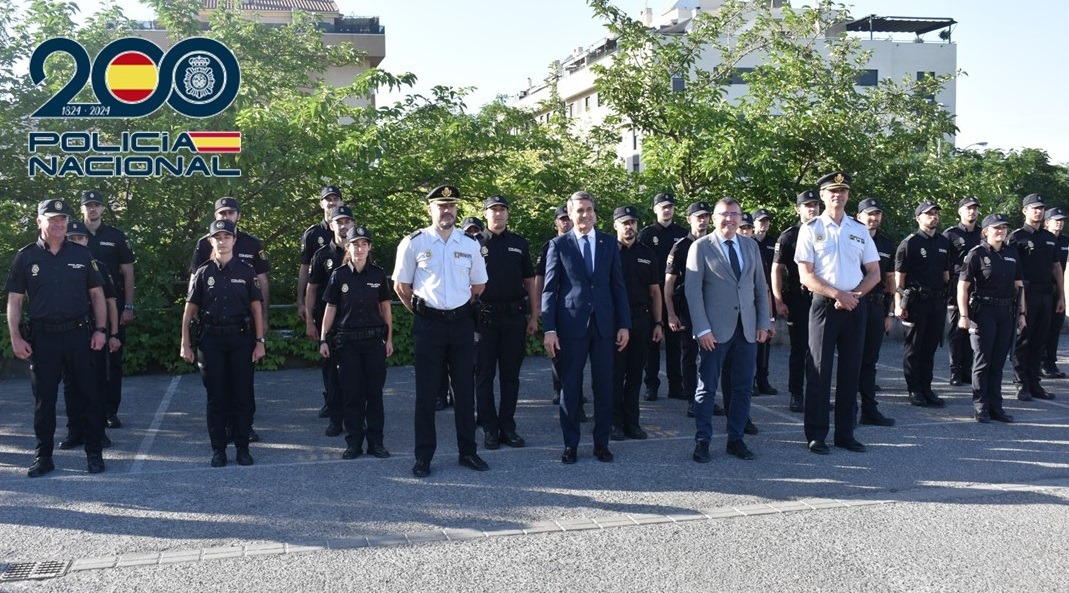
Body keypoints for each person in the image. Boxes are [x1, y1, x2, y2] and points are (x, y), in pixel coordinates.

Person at [6, 199, 108, 477]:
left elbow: (97, 295)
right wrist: (15, 336)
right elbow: (14, 300)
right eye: (52, 219)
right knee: (44, 400)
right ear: (39, 221)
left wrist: (100, 330)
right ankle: (44, 457)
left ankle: (94, 453)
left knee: (88, 395)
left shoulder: (82, 254)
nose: (59, 224)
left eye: (62, 219)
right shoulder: (26, 257)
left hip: (79, 334)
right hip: (43, 338)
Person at [393, 185, 489, 478]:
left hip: (461, 324)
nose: (447, 211)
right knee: (425, 395)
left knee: (464, 392)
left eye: (451, 206)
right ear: (430, 209)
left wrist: (457, 309)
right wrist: (425, 313)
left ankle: (468, 452)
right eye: (440, 206)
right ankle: (423, 456)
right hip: (429, 326)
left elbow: (479, 286)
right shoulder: (414, 243)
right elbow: (401, 286)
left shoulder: (470, 243)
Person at [542, 191, 631, 464]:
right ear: (569, 214)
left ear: (595, 212)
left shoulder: (608, 243)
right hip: (571, 327)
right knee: (570, 388)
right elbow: (549, 289)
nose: (585, 215)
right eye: (579, 210)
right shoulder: (559, 245)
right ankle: (571, 445)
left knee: (604, 386)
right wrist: (549, 329)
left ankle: (601, 443)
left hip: (605, 326)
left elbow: (618, 286)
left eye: (589, 209)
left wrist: (624, 324)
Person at [795, 172, 881, 455]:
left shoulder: (859, 229)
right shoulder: (810, 229)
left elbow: (874, 273)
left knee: (850, 371)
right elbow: (806, 275)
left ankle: (846, 434)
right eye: (832, 191)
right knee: (819, 371)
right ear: (822, 196)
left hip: (855, 306)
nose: (838, 195)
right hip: (824, 306)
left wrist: (854, 296)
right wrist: (837, 294)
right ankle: (817, 435)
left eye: (843, 191)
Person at [686, 198, 771, 463]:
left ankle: (736, 439)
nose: (730, 219)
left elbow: (759, 287)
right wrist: (702, 329)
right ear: (714, 217)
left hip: (746, 330)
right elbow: (693, 292)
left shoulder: (750, 246)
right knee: (707, 388)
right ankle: (703, 440)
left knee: (743, 388)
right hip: (714, 331)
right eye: (724, 214)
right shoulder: (700, 247)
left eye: (735, 214)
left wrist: (763, 323)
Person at [180, 219, 266, 467]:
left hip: (241, 338)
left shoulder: (247, 271)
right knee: (216, 397)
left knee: (242, 395)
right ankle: (218, 449)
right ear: (211, 241)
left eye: (227, 236)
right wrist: (185, 342)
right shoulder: (203, 272)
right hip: (211, 340)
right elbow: (190, 309)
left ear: (234, 240)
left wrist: (259, 341)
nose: (222, 240)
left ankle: (242, 448)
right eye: (217, 237)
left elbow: (256, 309)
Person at [318, 225, 393, 459]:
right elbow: (330, 308)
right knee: (351, 394)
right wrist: (323, 338)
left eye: (364, 244)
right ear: (348, 248)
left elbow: (385, 308)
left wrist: (389, 339)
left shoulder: (378, 275)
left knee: (374, 394)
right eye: (355, 244)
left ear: (369, 247)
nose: (359, 248)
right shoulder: (339, 275)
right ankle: (353, 443)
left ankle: (376, 442)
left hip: (373, 342)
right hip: (347, 343)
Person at [475, 195, 538, 450]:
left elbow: (529, 282)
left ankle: (508, 427)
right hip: (484, 319)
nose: (498, 215)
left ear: (507, 214)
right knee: (484, 376)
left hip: (514, 317)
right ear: (485, 214)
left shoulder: (519, 244)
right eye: (493, 210)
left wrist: (534, 315)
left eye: (502, 210)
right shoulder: (474, 243)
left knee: (511, 377)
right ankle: (490, 429)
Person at [59, 220, 121, 451]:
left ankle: (98, 432)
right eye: (72, 238)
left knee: (96, 385)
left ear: (88, 240)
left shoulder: (99, 266)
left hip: (96, 333)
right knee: (70, 385)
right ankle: (75, 431)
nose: (76, 241)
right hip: (70, 333)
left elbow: (111, 303)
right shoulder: (59, 264)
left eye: (80, 238)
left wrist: (113, 333)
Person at [957, 213, 1023, 423]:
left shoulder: (1012, 253)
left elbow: (1019, 285)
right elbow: (963, 286)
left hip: (1005, 313)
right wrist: (964, 315)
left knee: (998, 362)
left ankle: (996, 407)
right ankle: (981, 407)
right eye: (996, 228)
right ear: (985, 231)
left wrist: (1022, 313)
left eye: (1003, 228)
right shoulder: (976, 254)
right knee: (983, 361)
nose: (1001, 231)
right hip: (983, 311)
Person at [80, 190, 135, 430]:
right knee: (82, 364)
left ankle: (111, 411)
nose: (93, 209)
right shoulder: (73, 235)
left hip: (114, 307)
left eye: (96, 205)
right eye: (88, 205)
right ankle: (86, 413)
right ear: (82, 208)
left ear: (103, 209)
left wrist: (129, 306)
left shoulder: (116, 236)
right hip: (81, 311)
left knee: (113, 362)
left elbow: (128, 273)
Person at [611, 205, 662, 441]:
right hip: (614, 321)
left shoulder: (647, 253)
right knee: (614, 373)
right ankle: (614, 423)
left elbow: (655, 292)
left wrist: (658, 322)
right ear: (615, 226)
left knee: (634, 374)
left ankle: (632, 422)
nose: (629, 227)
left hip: (642, 319)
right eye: (624, 223)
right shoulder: (608, 251)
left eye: (632, 222)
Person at [664, 201, 718, 418]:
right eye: (698, 216)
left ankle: (707, 398)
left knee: (711, 355)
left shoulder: (714, 244)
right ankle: (692, 400)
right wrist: (671, 313)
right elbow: (668, 285)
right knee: (689, 355)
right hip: (687, 308)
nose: (703, 220)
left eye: (706, 216)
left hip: (712, 307)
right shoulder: (680, 247)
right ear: (689, 220)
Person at [305, 205, 355, 437]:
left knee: (357, 375)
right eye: (339, 222)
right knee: (333, 375)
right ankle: (336, 419)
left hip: (357, 323)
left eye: (347, 222)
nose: (343, 226)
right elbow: (312, 289)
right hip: (329, 323)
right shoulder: (322, 254)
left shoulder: (361, 250)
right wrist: (309, 322)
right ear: (331, 225)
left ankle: (357, 418)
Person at [895, 202, 951, 408]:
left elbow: (946, 275)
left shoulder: (944, 242)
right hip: (917, 303)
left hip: (937, 302)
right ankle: (914, 389)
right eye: (928, 214)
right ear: (918, 218)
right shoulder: (909, 243)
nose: (933, 217)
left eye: (935, 213)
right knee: (914, 349)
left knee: (930, 348)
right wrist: (899, 305)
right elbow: (898, 281)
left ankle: (927, 388)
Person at [1009, 193, 1064, 401]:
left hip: (1046, 295)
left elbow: (1056, 267)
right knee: (1023, 341)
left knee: (1040, 341)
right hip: (1026, 295)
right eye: (1034, 208)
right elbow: (1011, 270)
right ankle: (1021, 384)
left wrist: (1061, 297)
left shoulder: (1049, 238)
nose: (1039, 211)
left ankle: (1034, 383)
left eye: (1041, 208)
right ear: (1025, 211)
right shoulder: (1017, 237)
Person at [298, 185, 344, 418]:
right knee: (327, 357)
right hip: (323, 306)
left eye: (335, 199)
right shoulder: (313, 233)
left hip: (349, 308)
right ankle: (331, 400)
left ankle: (347, 404)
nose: (332, 202)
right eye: (328, 199)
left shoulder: (351, 230)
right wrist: (301, 302)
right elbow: (306, 272)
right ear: (321, 203)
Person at [535, 205, 586, 417]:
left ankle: (575, 397)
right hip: (555, 306)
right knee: (558, 355)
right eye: (562, 219)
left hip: (576, 310)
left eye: (568, 218)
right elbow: (540, 278)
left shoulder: (581, 243)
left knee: (576, 358)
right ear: (556, 222)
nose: (566, 222)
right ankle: (561, 390)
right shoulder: (550, 246)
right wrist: (538, 306)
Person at [772, 191, 821, 413]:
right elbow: (777, 270)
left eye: (815, 205)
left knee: (821, 351)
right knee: (799, 349)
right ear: (798, 209)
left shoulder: (826, 231)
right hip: (799, 300)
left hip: (822, 298)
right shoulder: (789, 237)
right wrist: (779, 300)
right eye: (807, 205)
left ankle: (816, 393)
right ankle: (796, 394)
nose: (812, 209)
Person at [638, 193, 687, 401]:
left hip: (676, 295)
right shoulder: (646, 235)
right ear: (655, 209)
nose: (667, 210)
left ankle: (677, 385)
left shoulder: (682, 234)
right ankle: (651, 385)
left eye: (670, 207)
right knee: (653, 341)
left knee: (677, 343)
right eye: (663, 207)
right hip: (653, 293)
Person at [854, 199, 896, 426]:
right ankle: (849, 407)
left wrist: (889, 313)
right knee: (852, 359)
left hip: (877, 307)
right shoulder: (850, 239)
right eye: (869, 214)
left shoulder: (887, 244)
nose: (874, 218)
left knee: (870, 361)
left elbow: (890, 280)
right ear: (859, 216)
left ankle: (869, 410)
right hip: (854, 304)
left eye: (877, 214)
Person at [943, 197, 982, 386]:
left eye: (975, 209)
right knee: (957, 331)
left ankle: (967, 370)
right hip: (957, 286)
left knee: (975, 330)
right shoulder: (950, 234)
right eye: (968, 209)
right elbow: (942, 261)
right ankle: (955, 371)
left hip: (978, 287)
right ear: (960, 211)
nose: (972, 212)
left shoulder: (984, 233)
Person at [751, 208, 779, 396]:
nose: (764, 224)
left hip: (767, 295)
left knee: (765, 342)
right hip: (752, 296)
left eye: (766, 221)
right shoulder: (748, 243)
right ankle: (752, 380)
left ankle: (763, 379)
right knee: (752, 341)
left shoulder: (772, 243)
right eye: (760, 221)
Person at [1041, 207, 1069, 378]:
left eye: (1062, 219)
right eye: (1056, 219)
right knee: (1041, 329)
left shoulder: (1065, 241)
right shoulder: (1043, 239)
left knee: (1055, 328)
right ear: (1047, 222)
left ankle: (1050, 362)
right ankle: (1040, 362)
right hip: (1043, 289)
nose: (1059, 222)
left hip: (1060, 290)